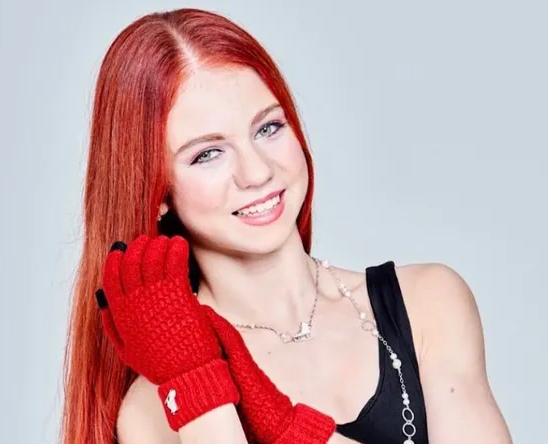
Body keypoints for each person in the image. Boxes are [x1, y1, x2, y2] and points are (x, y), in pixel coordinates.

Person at [60, 7, 513, 444]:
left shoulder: (427, 302)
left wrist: (279, 425)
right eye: (207, 154)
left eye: (268, 128)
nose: (257, 172)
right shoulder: (154, 407)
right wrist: (198, 385)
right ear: (157, 191)